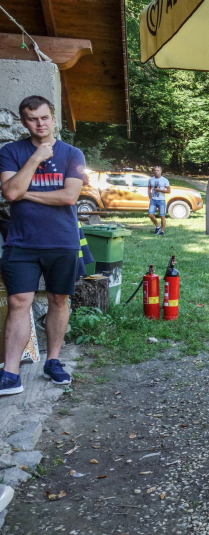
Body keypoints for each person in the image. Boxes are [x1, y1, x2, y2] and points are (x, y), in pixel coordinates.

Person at [0, 96, 87, 395]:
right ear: (24, 122)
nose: (40, 123)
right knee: (17, 303)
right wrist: (36, 159)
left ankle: (53, 361)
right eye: (33, 118)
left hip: (61, 240)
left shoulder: (73, 154)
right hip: (21, 242)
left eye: (45, 117)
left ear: (53, 119)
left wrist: (26, 192)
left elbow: (68, 197)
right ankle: (10, 373)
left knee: (58, 300)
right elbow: (10, 192)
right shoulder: (11, 151)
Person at [147, 166, 170, 235]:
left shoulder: (164, 180)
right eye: (155, 170)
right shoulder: (151, 179)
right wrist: (149, 194)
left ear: (161, 171)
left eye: (158, 170)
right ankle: (158, 226)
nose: (156, 172)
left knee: (162, 216)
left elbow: (168, 190)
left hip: (161, 200)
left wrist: (160, 190)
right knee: (150, 214)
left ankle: (162, 231)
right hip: (153, 200)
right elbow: (149, 188)